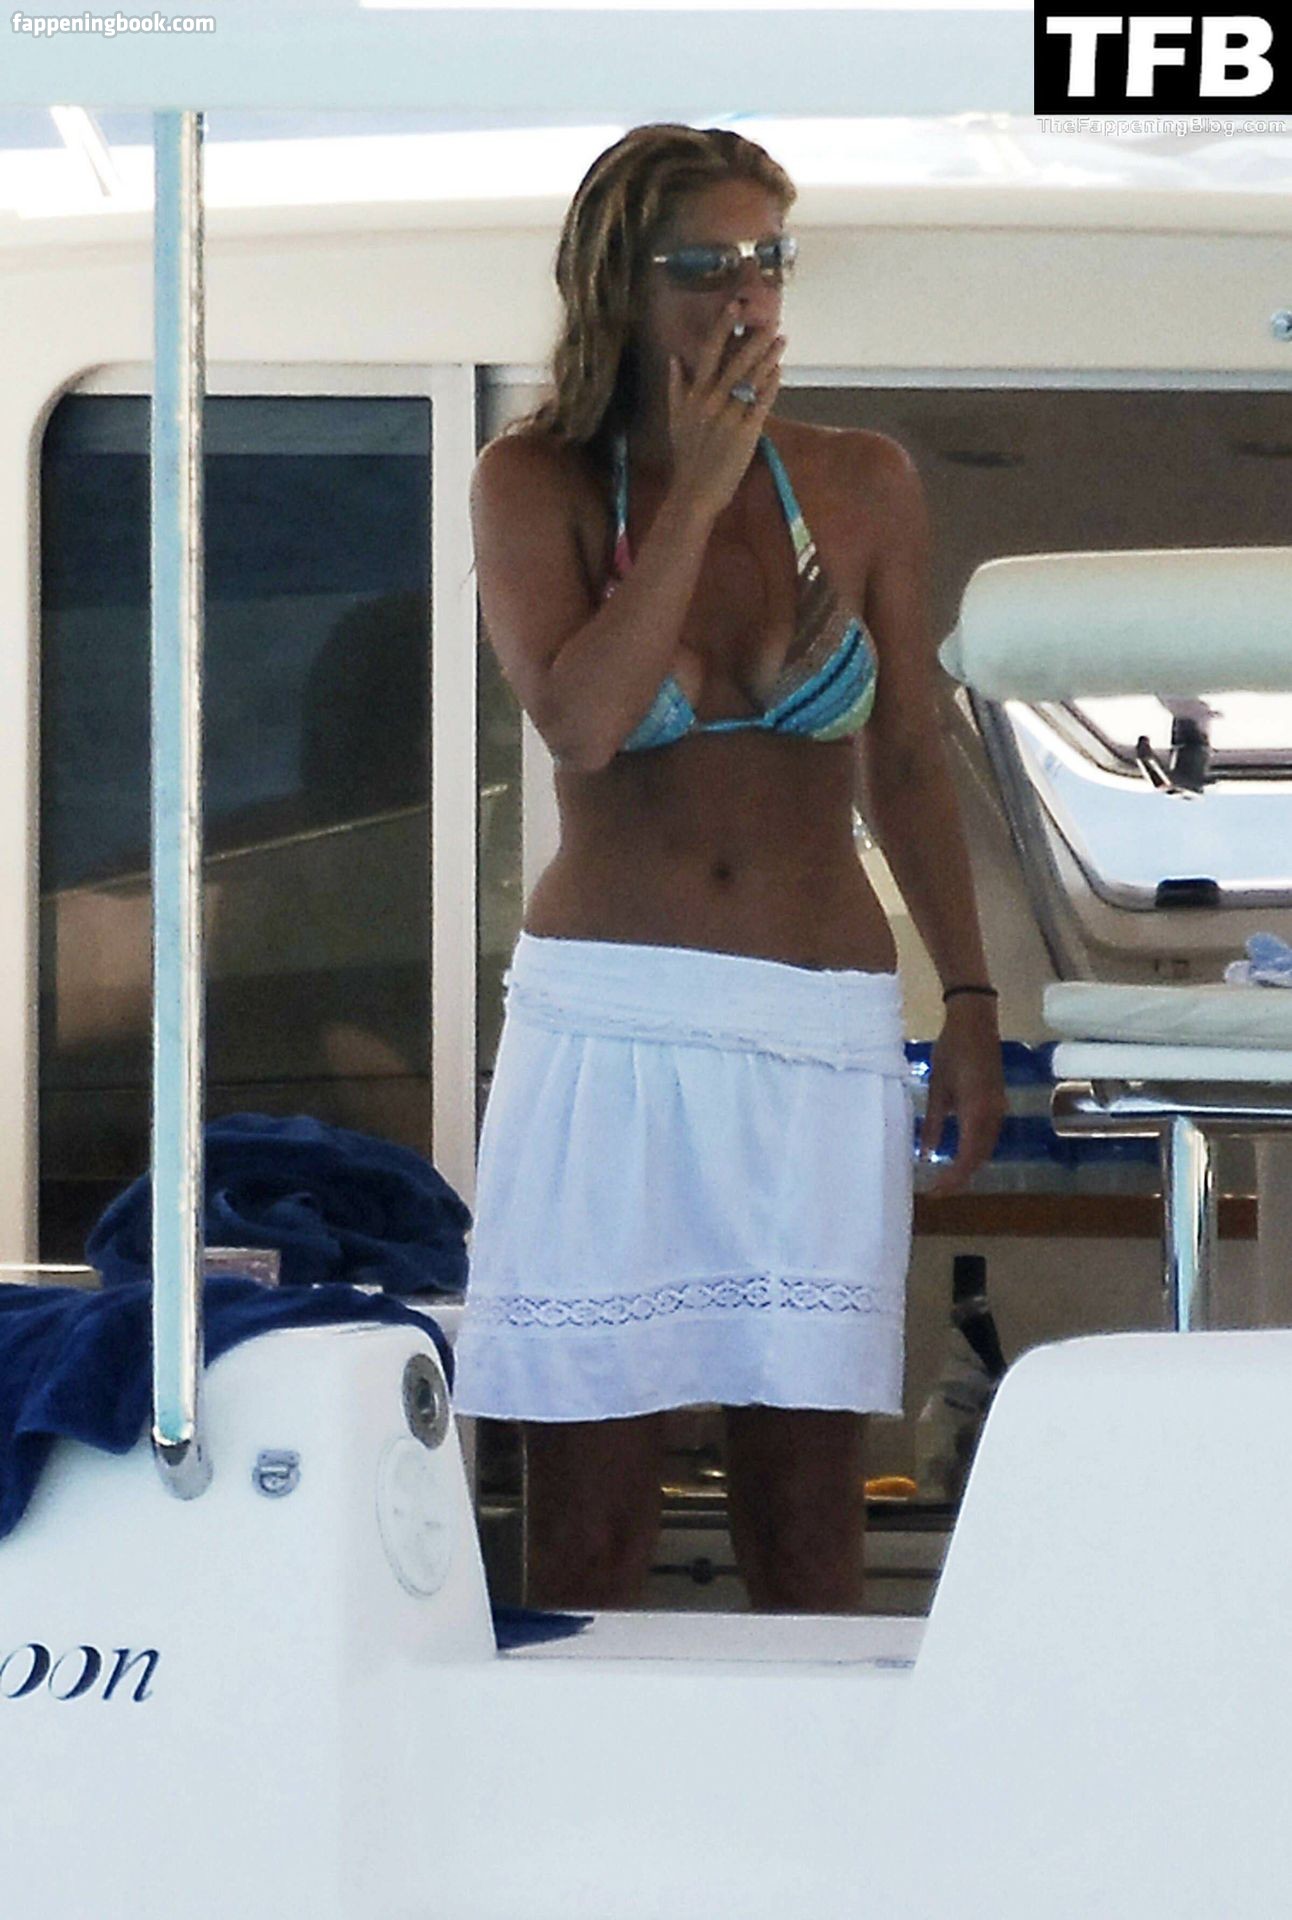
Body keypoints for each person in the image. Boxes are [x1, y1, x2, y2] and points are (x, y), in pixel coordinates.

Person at [452, 124, 1006, 1614]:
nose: (747, 294)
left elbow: (907, 761)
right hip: (608, 1026)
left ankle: (812, 1773)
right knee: (586, 1530)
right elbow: (583, 723)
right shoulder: (533, 479)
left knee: (810, 1527)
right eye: (707, 263)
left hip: (814, 1027)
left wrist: (968, 998)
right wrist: (694, 495)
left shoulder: (863, 480)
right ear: (618, 282)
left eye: (770, 259)